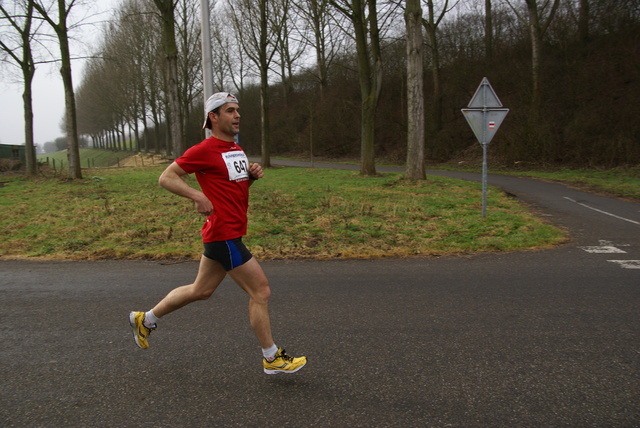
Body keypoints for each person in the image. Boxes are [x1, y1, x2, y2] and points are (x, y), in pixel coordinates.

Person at [129, 92, 306, 375]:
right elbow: (166, 177)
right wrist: (196, 195)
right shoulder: (203, 150)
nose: (237, 116)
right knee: (260, 290)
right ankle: (272, 358)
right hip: (223, 233)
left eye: (237, 111)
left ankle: (145, 319)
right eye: (230, 111)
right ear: (213, 117)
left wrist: (249, 177)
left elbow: (233, 190)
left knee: (201, 291)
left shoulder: (236, 149)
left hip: (226, 231)